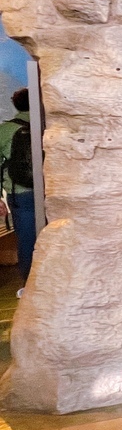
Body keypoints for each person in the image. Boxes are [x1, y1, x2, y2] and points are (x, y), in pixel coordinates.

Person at [0, 88, 35, 293]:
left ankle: (30, 289)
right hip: (52, 192)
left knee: (27, 241)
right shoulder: (49, 124)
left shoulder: (6, 130)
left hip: (21, 193)